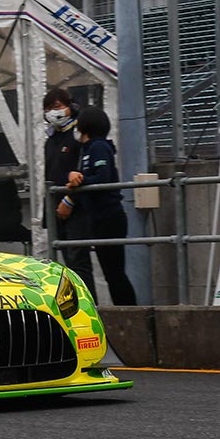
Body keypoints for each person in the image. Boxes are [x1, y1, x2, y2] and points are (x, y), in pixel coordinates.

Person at [61, 106, 137, 305]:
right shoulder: (87, 150)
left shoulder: (98, 147)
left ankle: (129, 311)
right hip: (99, 219)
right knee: (111, 273)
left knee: (115, 273)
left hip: (110, 217)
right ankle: (123, 310)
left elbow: (103, 177)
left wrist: (81, 181)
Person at [43, 88, 94, 300]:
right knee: (63, 267)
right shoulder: (51, 139)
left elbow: (82, 172)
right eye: (48, 109)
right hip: (55, 209)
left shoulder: (77, 137)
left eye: (57, 107)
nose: (53, 113)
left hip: (76, 208)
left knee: (79, 263)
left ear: (69, 107)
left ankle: (91, 305)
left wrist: (69, 199)